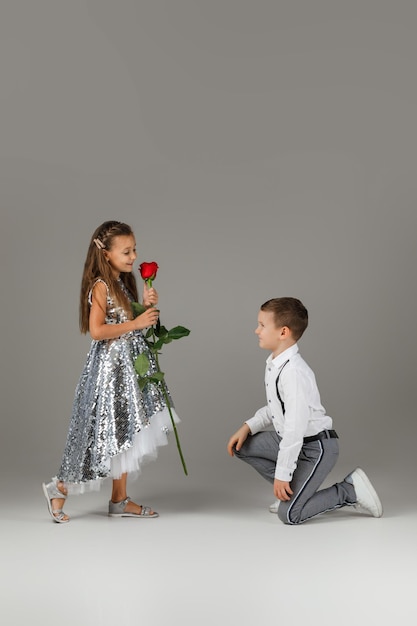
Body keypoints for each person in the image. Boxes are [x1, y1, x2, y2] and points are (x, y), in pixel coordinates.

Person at [42, 220, 180, 522]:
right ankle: (59, 487)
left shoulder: (122, 284)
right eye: (126, 251)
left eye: (135, 251)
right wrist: (136, 322)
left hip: (129, 368)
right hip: (110, 371)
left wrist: (144, 305)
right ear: (106, 254)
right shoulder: (101, 286)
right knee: (99, 432)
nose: (133, 257)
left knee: (126, 430)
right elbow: (96, 330)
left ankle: (119, 500)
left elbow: (131, 322)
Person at [227, 297, 382, 525]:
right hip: (293, 442)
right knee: (243, 445)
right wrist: (248, 426)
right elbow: (276, 407)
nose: (256, 330)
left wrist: (282, 475)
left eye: (262, 325)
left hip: (316, 447)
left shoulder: (293, 373)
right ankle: (294, 492)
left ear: (283, 332)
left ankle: (349, 490)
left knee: (290, 515)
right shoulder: (275, 363)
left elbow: (294, 429)